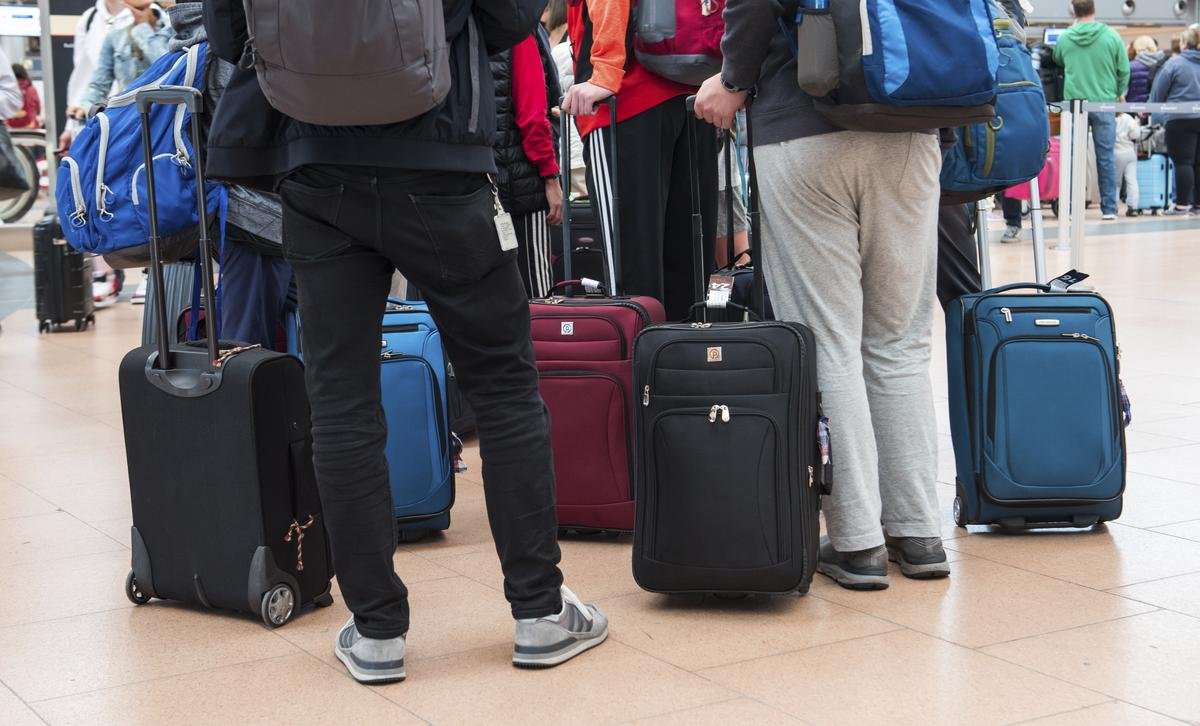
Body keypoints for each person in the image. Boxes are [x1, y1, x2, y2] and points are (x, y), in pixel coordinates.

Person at [203, 0, 608, 683]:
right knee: (505, 390)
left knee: (341, 405)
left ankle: (376, 630)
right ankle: (539, 611)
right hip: (442, 158)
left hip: (314, 163)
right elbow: (510, 20)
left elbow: (228, 33)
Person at [695, 2, 949, 591]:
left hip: (803, 125)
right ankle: (918, 533)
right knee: (900, 342)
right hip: (911, 122)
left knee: (828, 341)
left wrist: (733, 79)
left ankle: (858, 542)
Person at [562, 0, 718, 320]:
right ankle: (683, 350)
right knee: (689, 265)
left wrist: (604, 72)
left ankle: (640, 350)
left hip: (626, 101)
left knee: (631, 274)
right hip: (694, 87)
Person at [80, 0, 171, 305]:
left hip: (164, 130)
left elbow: (164, 65)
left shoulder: (171, 30)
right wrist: (83, 108)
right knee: (120, 198)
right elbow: (100, 80)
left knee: (157, 198)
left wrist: (144, 28)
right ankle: (112, 269)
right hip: (125, 129)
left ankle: (152, 270)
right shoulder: (115, 37)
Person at [491, 30, 563, 298]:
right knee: (537, 295)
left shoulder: (458, 27)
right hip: (523, 184)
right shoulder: (518, 32)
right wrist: (550, 177)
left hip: (475, 183)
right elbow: (532, 117)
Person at [1054, 0, 1130, 221]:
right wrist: (1116, 92)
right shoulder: (1112, 36)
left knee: (1071, 157)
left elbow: (1058, 59)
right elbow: (1124, 70)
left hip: (1074, 104)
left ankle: (1069, 208)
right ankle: (1109, 209)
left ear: (1074, 11)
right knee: (1105, 157)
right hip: (1104, 103)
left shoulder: (1065, 38)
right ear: (1094, 9)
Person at [1149, 24, 1200, 215]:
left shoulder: (1174, 64)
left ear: (1184, 43)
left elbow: (1158, 93)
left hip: (1180, 119)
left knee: (1183, 162)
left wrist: (1154, 112)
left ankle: (1182, 205)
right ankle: (1198, 205)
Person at [1114, 112, 1142, 216]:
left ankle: (1113, 206)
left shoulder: (1110, 117)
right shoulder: (1127, 117)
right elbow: (1136, 134)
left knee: (1115, 182)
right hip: (1130, 152)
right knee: (1132, 180)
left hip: (1116, 153)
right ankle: (1133, 207)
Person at [1127, 36, 1164, 104]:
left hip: (1133, 107)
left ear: (1137, 48)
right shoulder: (1163, 64)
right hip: (1157, 107)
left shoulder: (1130, 66)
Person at [6, 64, 40, 129]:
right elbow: (38, 110)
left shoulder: (7, 90)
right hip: (31, 129)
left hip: (10, 129)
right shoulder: (31, 89)